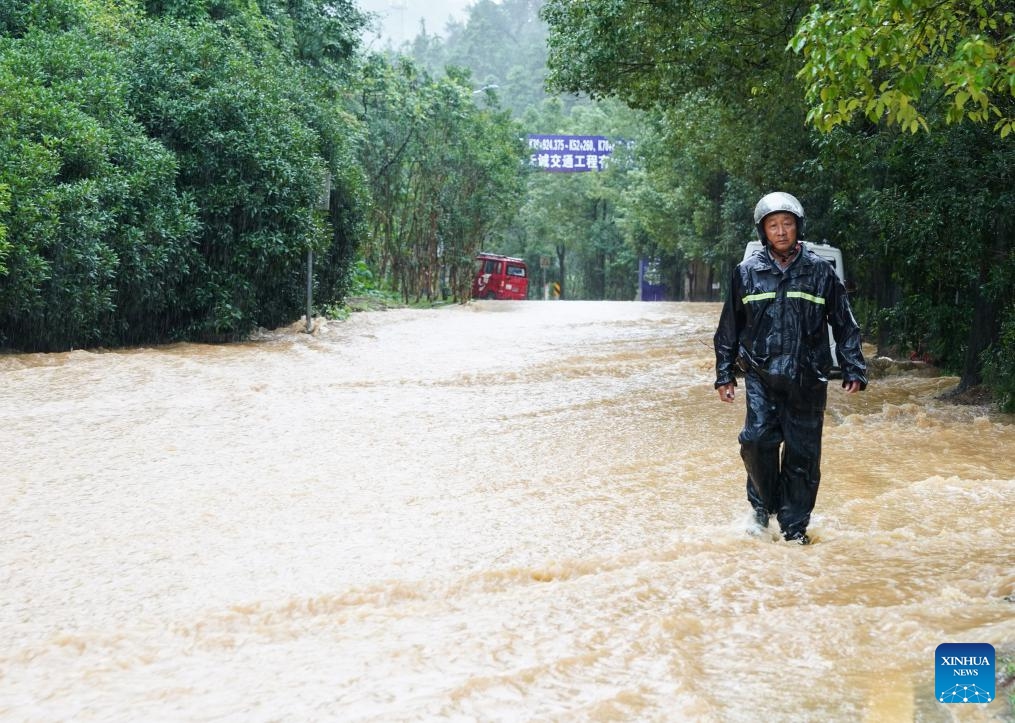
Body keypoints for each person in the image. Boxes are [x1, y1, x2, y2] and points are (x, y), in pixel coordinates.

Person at [713, 191, 867, 544]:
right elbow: (729, 328)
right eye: (773, 226)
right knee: (755, 441)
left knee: (802, 455)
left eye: (787, 224)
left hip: (808, 377)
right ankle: (763, 508)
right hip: (761, 376)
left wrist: (853, 366)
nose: (781, 231)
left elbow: (845, 323)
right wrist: (724, 374)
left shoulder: (820, 272)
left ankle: (794, 528)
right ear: (762, 232)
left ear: (798, 228)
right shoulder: (746, 273)